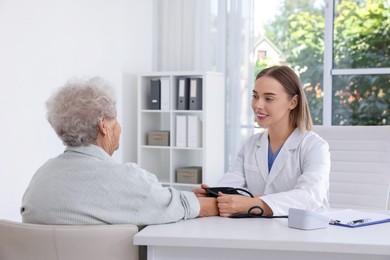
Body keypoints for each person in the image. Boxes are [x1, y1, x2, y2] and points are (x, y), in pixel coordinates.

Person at [21, 77, 218, 225]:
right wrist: (233, 203)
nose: (119, 126)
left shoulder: (40, 179)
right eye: (115, 118)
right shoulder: (126, 180)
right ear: (103, 126)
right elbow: (182, 206)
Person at [194, 65, 330, 217]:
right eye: (255, 96)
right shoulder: (251, 144)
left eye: (269, 99)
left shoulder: (315, 146)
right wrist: (212, 195)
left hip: (304, 232)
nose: (258, 105)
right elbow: (230, 184)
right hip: (259, 229)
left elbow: (309, 197)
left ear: (293, 102)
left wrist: (254, 203)